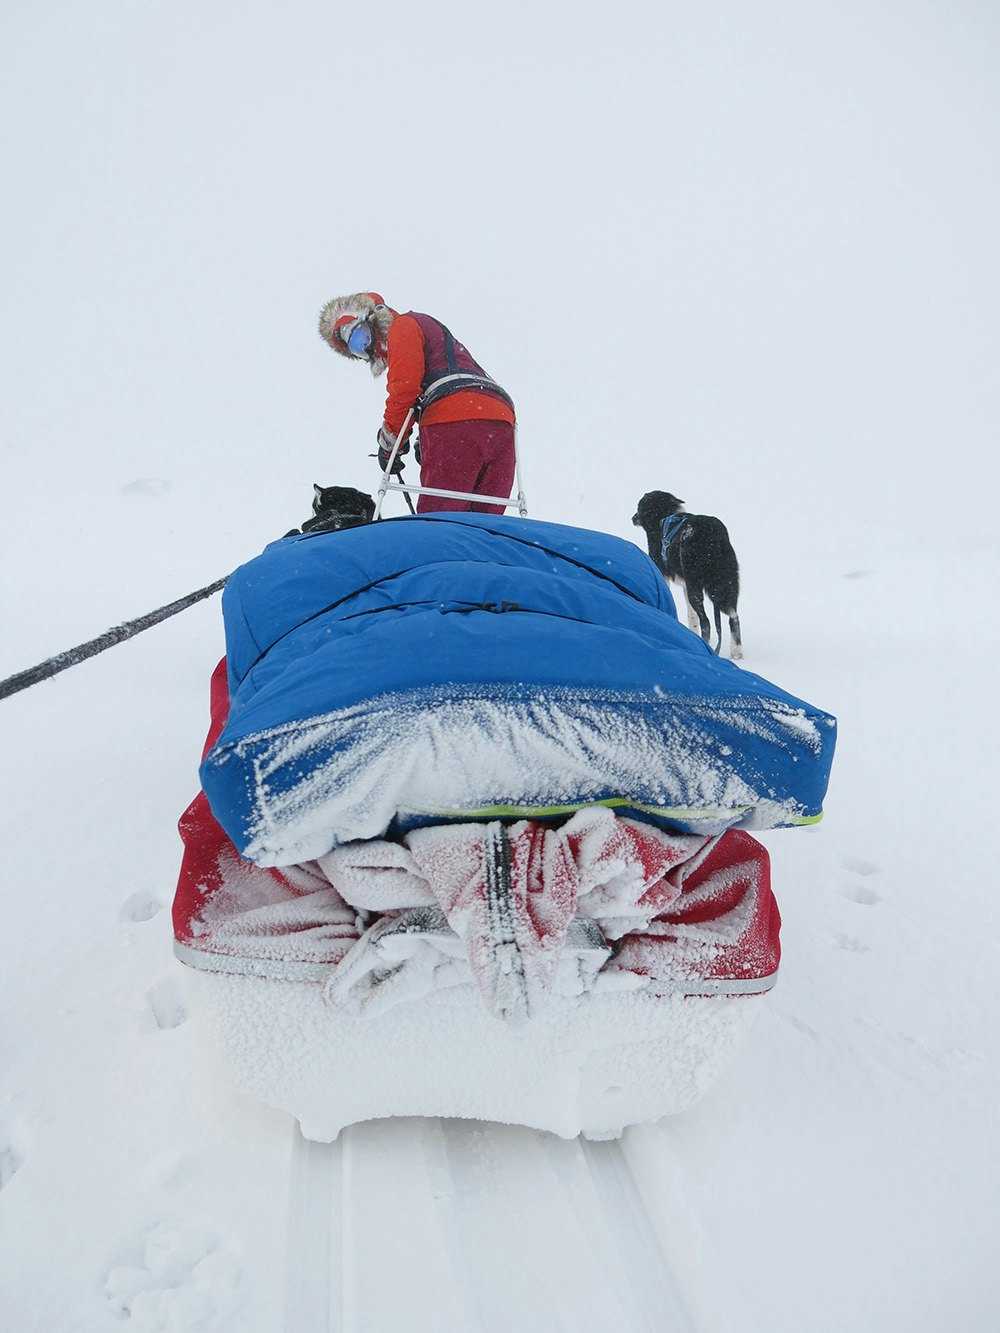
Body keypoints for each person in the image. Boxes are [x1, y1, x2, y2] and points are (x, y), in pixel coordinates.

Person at [318, 292, 516, 514]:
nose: (366, 348)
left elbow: (405, 389)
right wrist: (428, 442)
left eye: (361, 336)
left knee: (440, 517)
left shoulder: (403, 326)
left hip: (455, 417)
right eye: (357, 348)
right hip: (502, 423)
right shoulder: (435, 334)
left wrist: (390, 442)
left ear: (372, 317)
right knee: (484, 523)